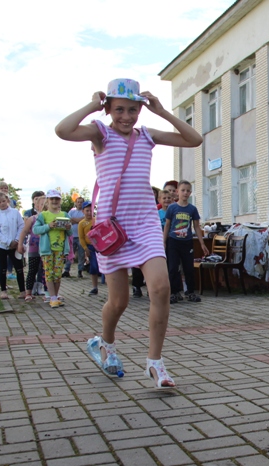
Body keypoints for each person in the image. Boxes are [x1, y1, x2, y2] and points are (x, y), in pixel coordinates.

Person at [55, 78, 203, 386]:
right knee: (119, 302)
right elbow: (63, 130)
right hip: (112, 229)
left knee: (160, 288)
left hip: (145, 224)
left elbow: (194, 139)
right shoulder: (100, 133)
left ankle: (155, 363)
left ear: (140, 110)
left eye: (132, 110)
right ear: (108, 108)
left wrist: (161, 110)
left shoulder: (147, 136)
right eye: (119, 109)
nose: (126, 116)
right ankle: (106, 343)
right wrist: (92, 105)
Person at [164, 180, 208, 304]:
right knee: (173, 268)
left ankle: (190, 292)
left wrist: (202, 243)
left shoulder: (192, 209)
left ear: (190, 193)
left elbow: (197, 226)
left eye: (188, 191)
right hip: (173, 241)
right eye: (183, 190)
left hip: (187, 242)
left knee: (188, 268)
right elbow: (167, 225)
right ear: (177, 192)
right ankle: (174, 293)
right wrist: (164, 241)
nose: (185, 193)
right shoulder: (172, 208)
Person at [33, 189, 71, 308]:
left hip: (60, 249)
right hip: (47, 250)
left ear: (60, 201)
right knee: (49, 273)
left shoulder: (64, 215)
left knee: (58, 274)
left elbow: (70, 233)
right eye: (52, 199)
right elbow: (35, 229)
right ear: (48, 201)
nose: (54, 201)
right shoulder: (43, 215)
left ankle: (55, 296)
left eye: (57, 199)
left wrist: (68, 228)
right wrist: (48, 226)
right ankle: (52, 297)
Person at [0, 192, 25, 300]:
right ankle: (3, 290)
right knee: (3, 267)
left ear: (7, 201)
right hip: (1, 245)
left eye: (3, 201)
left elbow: (21, 226)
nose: (2, 204)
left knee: (19, 267)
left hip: (15, 244)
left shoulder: (15, 212)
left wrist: (16, 240)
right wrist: (8, 242)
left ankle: (22, 291)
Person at [17, 191, 46, 302]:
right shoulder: (32, 219)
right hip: (34, 248)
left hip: (46, 249)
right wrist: (20, 244)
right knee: (32, 270)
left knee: (45, 271)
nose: (45, 207)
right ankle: (28, 292)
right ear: (37, 206)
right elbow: (24, 232)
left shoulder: (50, 220)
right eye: (42, 204)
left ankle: (45, 290)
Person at [78, 201, 103, 295]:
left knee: (104, 266)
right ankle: (95, 287)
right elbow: (81, 238)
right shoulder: (81, 223)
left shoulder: (97, 220)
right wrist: (85, 248)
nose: (89, 213)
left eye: (91, 210)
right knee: (94, 266)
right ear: (83, 211)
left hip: (100, 246)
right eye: (87, 211)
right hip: (90, 247)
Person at [63, 196, 86, 279]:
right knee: (70, 254)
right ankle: (66, 270)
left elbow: (83, 220)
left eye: (81, 202)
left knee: (81, 255)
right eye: (78, 202)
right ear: (75, 203)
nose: (79, 203)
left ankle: (80, 271)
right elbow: (68, 220)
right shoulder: (72, 211)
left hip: (81, 237)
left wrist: (74, 220)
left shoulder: (84, 212)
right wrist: (79, 220)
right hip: (72, 236)